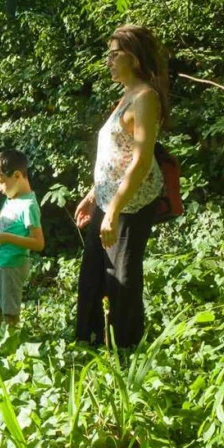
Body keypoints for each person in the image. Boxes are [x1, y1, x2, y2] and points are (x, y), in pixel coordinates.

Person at [74, 25, 169, 349]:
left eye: (115, 54)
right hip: (107, 199)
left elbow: (141, 160)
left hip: (131, 204)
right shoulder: (125, 96)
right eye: (109, 55)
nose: (109, 61)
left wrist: (112, 210)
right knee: (93, 274)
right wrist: (94, 195)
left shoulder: (145, 98)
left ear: (136, 58)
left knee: (123, 279)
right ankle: (88, 342)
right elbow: (115, 153)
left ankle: (125, 350)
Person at [0, 149, 44, 338]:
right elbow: (7, 222)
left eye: (1, 183)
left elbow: (38, 243)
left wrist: (4, 238)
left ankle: (12, 354)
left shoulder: (29, 205)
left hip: (13, 265)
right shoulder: (12, 199)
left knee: (10, 315)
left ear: (17, 175)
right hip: (1, 264)